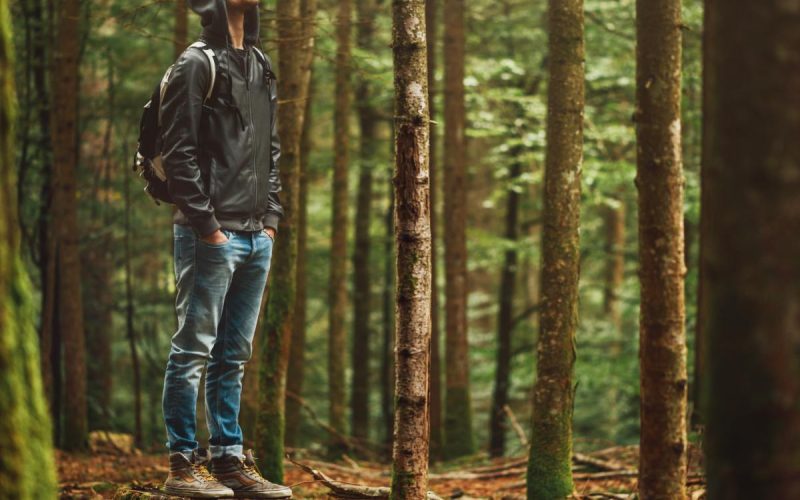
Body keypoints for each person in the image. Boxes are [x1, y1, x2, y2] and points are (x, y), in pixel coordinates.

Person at [159, 0, 290, 497]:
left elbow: (270, 147)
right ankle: (181, 465)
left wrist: (272, 219)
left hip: (257, 234)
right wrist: (207, 225)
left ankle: (229, 460)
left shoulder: (259, 62)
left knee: (233, 355)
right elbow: (179, 150)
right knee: (193, 349)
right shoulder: (196, 64)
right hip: (209, 234)